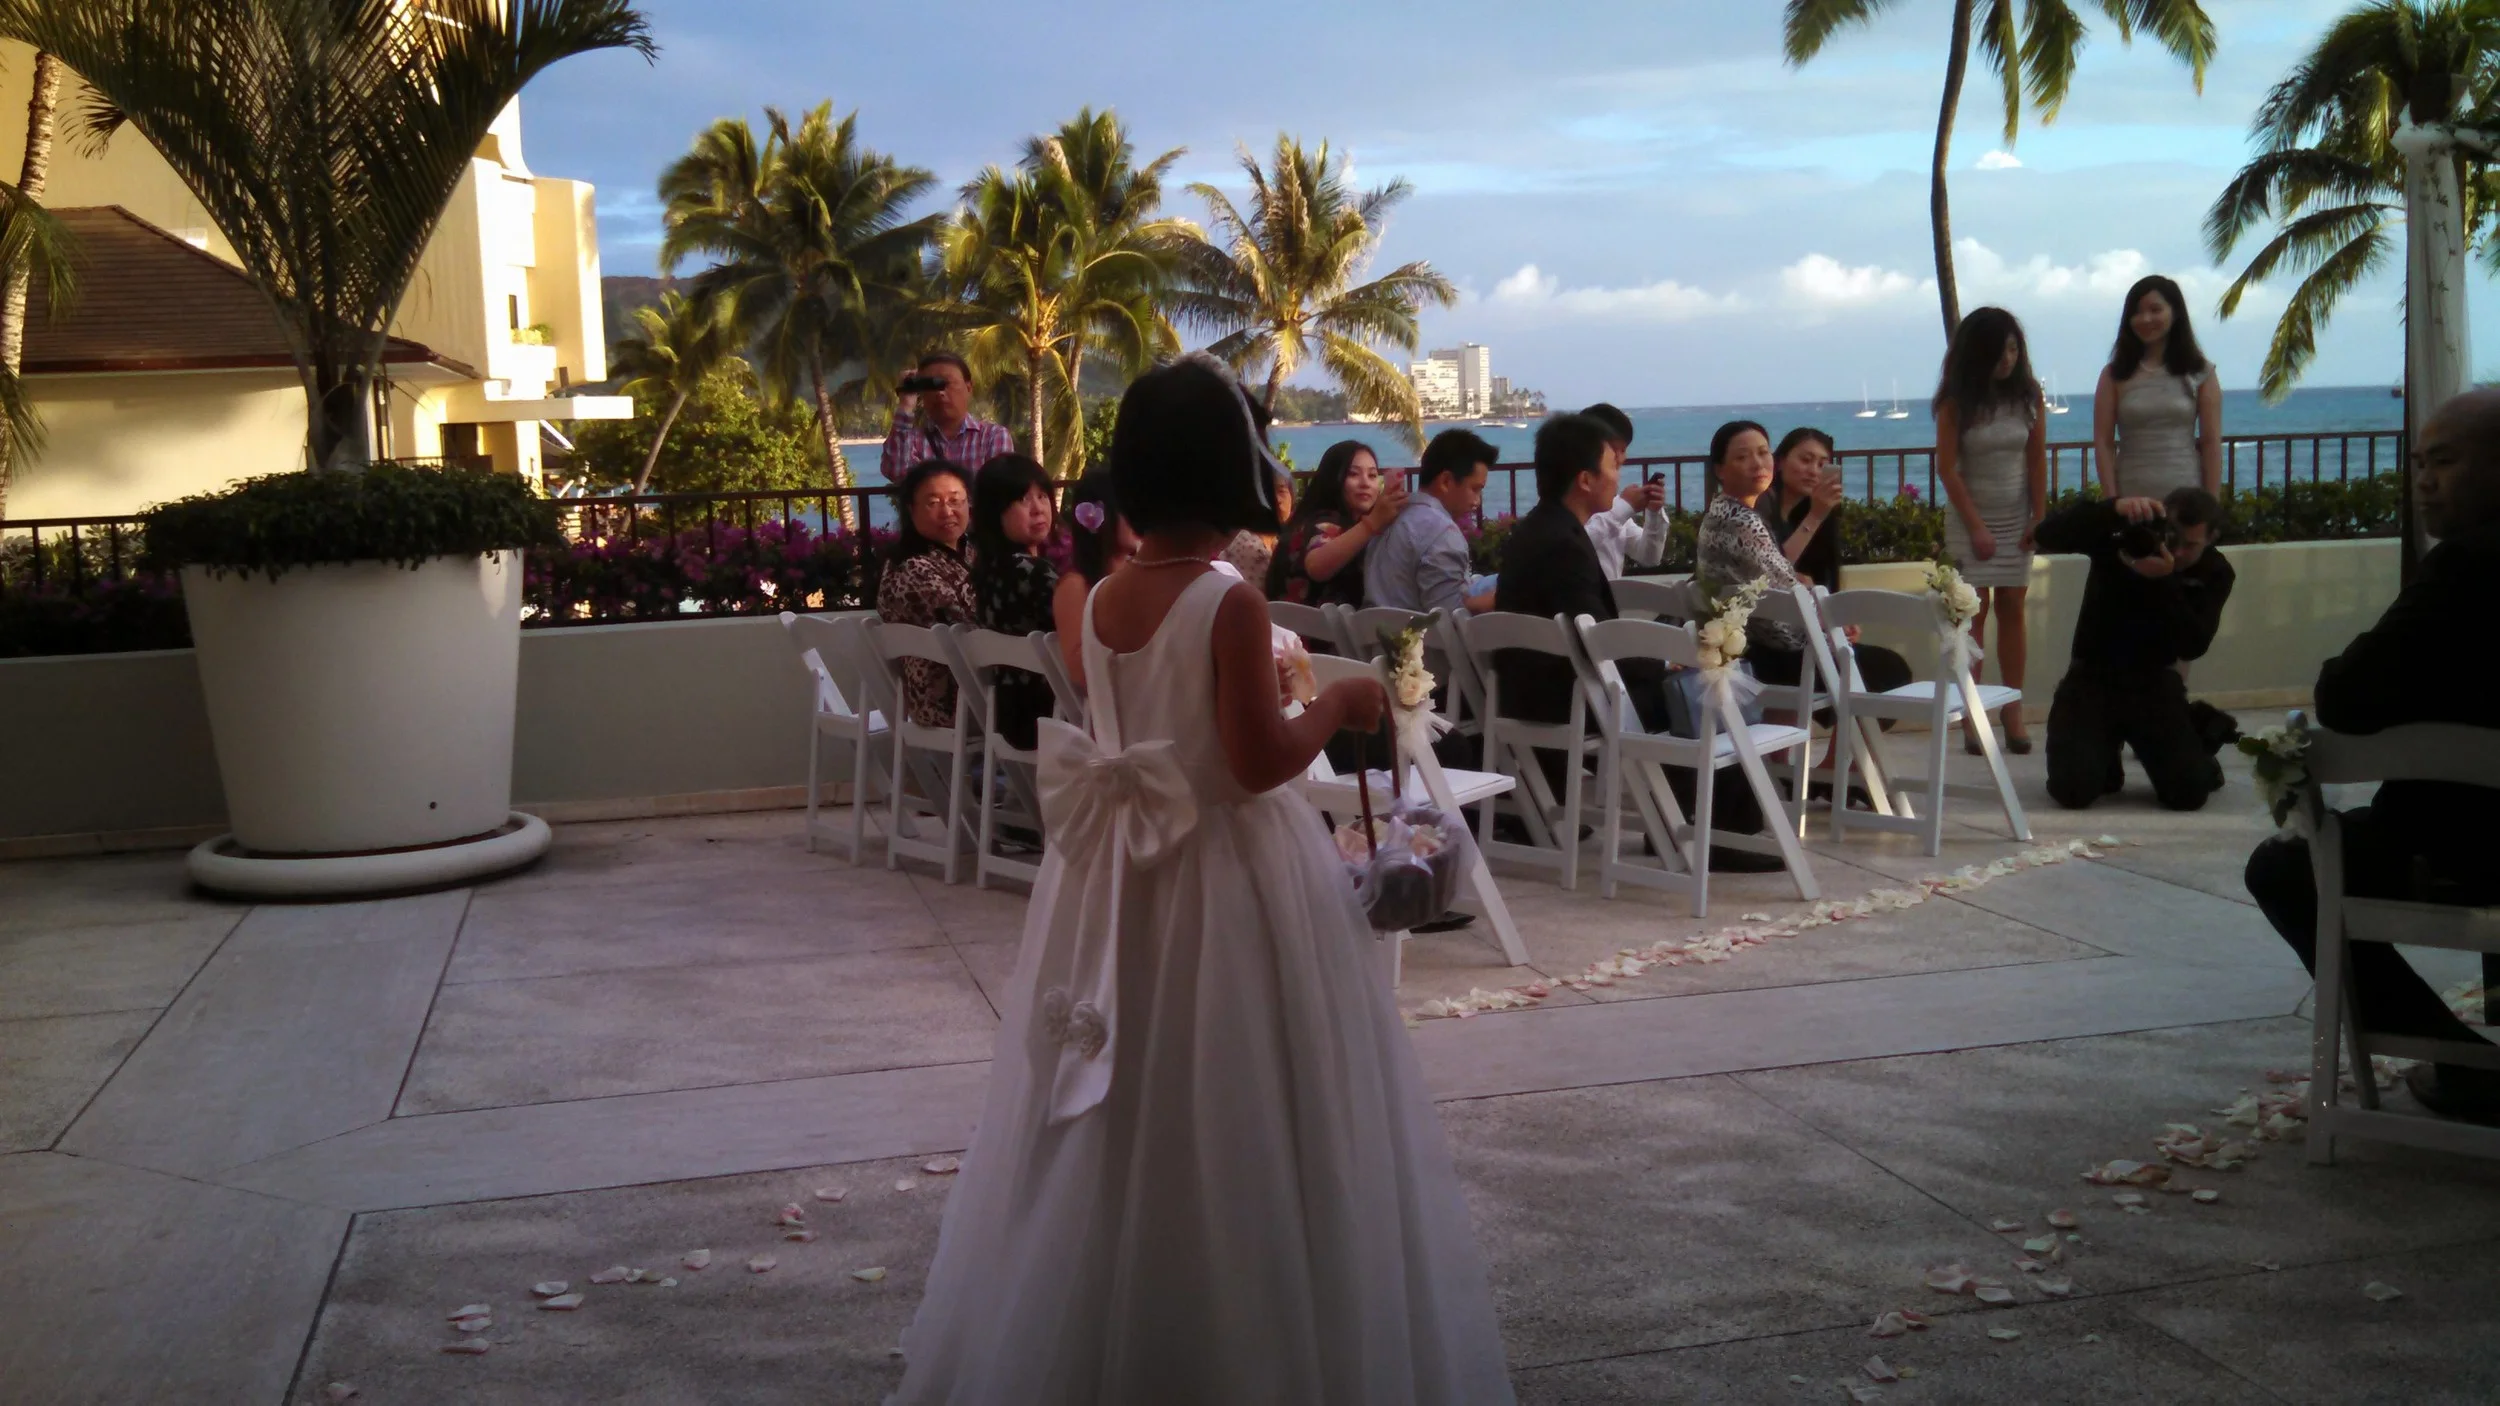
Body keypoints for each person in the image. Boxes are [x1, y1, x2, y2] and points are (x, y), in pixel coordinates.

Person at [892, 355, 1515, 1404]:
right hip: (1227, 870)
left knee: (1120, 1087)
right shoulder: (1226, 597)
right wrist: (1340, 704)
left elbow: (1141, 725)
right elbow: (1254, 762)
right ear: (1231, 469)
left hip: (1121, 877)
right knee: (1246, 1090)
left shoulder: (1098, 598)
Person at [2243, 388, 2500, 1122]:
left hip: (2461, 854)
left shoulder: (2465, 570)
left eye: (2444, 462)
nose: (2423, 480)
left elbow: (2347, 695)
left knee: (2286, 867)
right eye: (2419, 462)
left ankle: (2468, 1065)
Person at [1497, 413, 1772, 862]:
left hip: (1537, 690)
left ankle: (1682, 826)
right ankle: (1716, 837)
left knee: (1682, 685)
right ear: (1585, 479)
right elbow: (1601, 640)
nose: (1618, 476)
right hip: (1565, 699)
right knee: (1701, 693)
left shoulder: (1539, 529)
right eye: (1612, 465)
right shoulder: (1563, 543)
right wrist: (1666, 663)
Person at [2033, 486, 2236, 810]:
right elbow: (2047, 533)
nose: (2179, 552)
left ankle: (2196, 736)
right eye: (2173, 538)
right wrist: (2114, 509)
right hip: (2093, 677)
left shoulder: (2215, 571)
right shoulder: (2122, 540)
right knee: (2073, 790)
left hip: (2153, 684)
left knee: (2188, 794)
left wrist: (2165, 581)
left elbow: (2193, 644)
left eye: (2191, 545)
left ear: (2211, 537)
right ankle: (2103, 753)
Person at [1935, 306, 2049, 753]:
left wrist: (2039, 517)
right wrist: (1977, 527)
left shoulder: (2028, 395)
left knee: (2014, 610)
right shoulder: (1956, 402)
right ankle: (1972, 710)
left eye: (2013, 348)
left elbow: (2037, 459)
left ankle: (2013, 708)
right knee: (1973, 616)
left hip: (2016, 516)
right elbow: (1947, 470)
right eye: (1999, 350)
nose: (2007, 358)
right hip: (1970, 520)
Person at [1767, 427, 1914, 699]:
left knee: (1889, 671)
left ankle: (1843, 743)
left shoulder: (1816, 519)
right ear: (1779, 462)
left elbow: (1821, 585)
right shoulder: (1763, 512)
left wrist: (1838, 622)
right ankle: (1844, 742)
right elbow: (1771, 568)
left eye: (1822, 464)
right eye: (1805, 459)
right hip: (1768, 644)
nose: (1813, 470)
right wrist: (1816, 516)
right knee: (1885, 671)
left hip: (1803, 639)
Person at [2093, 275, 2222, 501]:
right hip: (2131, 500)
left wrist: (2212, 504)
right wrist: (2112, 502)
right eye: (2137, 312)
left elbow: (2211, 442)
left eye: (2155, 310)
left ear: (2175, 313)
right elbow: (2103, 443)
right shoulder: (2113, 375)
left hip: (2186, 498)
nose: (2145, 318)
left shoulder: (2200, 371)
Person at [967, 453, 1060, 750]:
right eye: (1023, 500)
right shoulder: (1032, 573)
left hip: (1009, 717)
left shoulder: (987, 570)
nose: (1038, 509)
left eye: (1042, 496)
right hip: (1055, 717)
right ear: (996, 513)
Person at [876, 460, 976, 728]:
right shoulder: (912, 568)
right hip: (949, 703)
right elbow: (972, 626)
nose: (947, 512)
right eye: (933, 503)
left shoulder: (970, 553)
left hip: (976, 690)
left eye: (956, 500)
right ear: (911, 509)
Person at [1365, 427, 1499, 615]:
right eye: (1475, 489)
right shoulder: (1443, 534)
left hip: (1373, 634)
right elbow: (1452, 620)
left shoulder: (1390, 516)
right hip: (1418, 640)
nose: (1478, 501)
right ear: (1445, 482)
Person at [1265, 438, 1404, 607]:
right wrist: (1373, 522)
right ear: (1332, 479)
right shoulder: (1324, 521)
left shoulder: (1349, 525)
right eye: (1353, 474)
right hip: (1309, 630)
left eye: (1372, 475)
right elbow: (1317, 566)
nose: (1365, 483)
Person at [1052, 469, 1138, 696]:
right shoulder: (1075, 585)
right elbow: (1081, 673)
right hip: (1109, 712)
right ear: (1100, 516)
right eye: (1129, 507)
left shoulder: (1142, 574)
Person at [880, 350, 1016, 482]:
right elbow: (896, 472)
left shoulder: (992, 436)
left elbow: (999, 491)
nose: (939, 393)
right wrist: (906, 404)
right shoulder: (913, 440)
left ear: (968, 388)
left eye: (946, 383)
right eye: (931, 386)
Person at [1579, 403, 1669, 578]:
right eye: (1614, 450)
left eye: (1623, 450)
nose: (1620, 458)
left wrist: (1654, 514)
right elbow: (1575, 547)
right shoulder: (1568, 504)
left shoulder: (1612, 506)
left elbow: (1649, 557)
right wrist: (1625, 506)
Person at [1220, 466, 1294, 585]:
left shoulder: (1276, 540)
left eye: (1281, 491)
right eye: (1267, 493)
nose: (1277, 500)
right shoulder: (1248, 545)